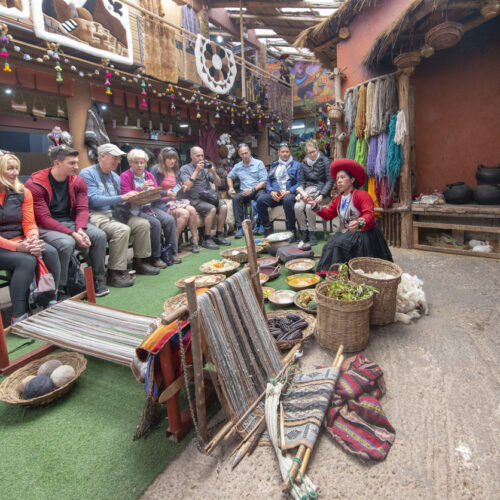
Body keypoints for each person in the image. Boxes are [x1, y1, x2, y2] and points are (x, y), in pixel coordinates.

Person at [25, 145, 109, 297]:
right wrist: (72, 233)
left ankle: (97, 280)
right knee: (66, 243)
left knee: (99, 235)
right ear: (57, 163)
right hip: (45, 227)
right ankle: (61, 288)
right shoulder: (35, 184)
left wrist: (80, 229)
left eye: (76, 162)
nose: (76, 167)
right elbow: (44, 219)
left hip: (71, 222)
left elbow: (83, 209)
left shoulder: (78, 181)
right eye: (72, 163)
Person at [79, 143, 160, 286]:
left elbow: (121, 202)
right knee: (122, 230)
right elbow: (92, 199)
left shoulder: (115, 177)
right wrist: (123, 197)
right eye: (115, 158)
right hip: (97, 214)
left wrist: (138, 197)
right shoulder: (87, 173)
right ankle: (114, 272)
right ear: (102, 156)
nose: (118, 161)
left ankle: (140, 262)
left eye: (118, 158)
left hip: (116, 214)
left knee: (143, 224)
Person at [304, 159, 392, 276]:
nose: (338, 181)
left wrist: (359, 222)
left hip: (365, 236)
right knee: (328, 246)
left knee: (338, 245)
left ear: (352, 179)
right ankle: (331, 275)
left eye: (342, 177)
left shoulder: (362, 195)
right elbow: (328, 214)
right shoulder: (339, 199)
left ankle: (344, 276)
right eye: (337, 178)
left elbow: (369, 215)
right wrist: (314, 205)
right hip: (350, 235)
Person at [0, 154, 61, 324]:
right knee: (26, 261)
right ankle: (19, 315)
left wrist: (33, 239)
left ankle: (49, 300)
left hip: (22, 241)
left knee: (50, 252)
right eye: (9, 168)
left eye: (16, 168)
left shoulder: (23, 192)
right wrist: (19, 247)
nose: (15, 172)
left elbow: (29, 222)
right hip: (6, 247)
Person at [120, 148, 180, 267]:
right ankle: (155, 257)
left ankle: (171, 252)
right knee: (155, 223)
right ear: (130, 163)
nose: (139, 165)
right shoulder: (125, 176)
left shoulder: (148, 175)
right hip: (134, 209)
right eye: (136, 162)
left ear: (145, 163)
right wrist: (141, 188)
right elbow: (127, 196)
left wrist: (159, 192)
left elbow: (157, 192)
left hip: (149, 206)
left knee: (169, 220)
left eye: (142, 162)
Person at [179, 146, 230, 250]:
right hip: (194, 199)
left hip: (208, 197)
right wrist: (197, 171)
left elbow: (218, 183)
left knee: (224, 206)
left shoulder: (206, 167)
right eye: (198, 156)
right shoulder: (185, 169)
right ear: (191, 156)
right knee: (212, 209)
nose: (201, 158)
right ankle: (206, 239)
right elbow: (187, 187)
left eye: (202, 156)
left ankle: (219, 235)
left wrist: (214, 172)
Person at [151, 146, 200, 254]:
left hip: (173, 201)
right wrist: (165, 193)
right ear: (163, 159)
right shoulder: (156, 170)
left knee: (192, 210)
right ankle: (173, 245)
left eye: (174, 158)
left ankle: (195, 240)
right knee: (184, 214)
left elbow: (174, 190)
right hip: (160, 203)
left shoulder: (176, 171)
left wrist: (181, 188)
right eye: (169, 158)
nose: (172, 161)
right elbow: (152, 190)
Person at [256, 142, 301, 239]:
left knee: (287, 200)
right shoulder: (275, 165)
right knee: (260, 200)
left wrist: (289, 191)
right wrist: (271, 192)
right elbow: (268, 181)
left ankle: (291, 231)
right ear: (279, 153)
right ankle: (268, 229)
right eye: (282, 152)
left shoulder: (297, 165)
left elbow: (299, 182)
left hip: (289, 192)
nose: (285, 154)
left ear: (290, 152)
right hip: (278, 192)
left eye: (287, 151)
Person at [294, 139, 333, 246]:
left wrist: (322, 195)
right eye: (309, 153)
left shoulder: (325, 161)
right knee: (297, 207)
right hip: (307, 191)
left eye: (313, 152)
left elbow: (330, 180)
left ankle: (312, 232)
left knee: (309, 207)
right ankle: (303, 231)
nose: (311, 155)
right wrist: (300, 192)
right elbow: (301, 181)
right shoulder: (304, 163)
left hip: (321, 192)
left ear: (317, 149)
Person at [227, 143, 268, 238]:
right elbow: (229, 177)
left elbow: (264, 181)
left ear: (250, 152)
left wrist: (253, 189)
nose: (245, 155)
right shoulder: (238, 166)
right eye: (242, 154)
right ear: (239, 154)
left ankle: (261, 224)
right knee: (236, 199)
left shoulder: (259, 163)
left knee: (261, 198)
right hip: (245, 191)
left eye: (246, 153)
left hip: (258, 189)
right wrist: (231, 188)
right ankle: (240, 228)